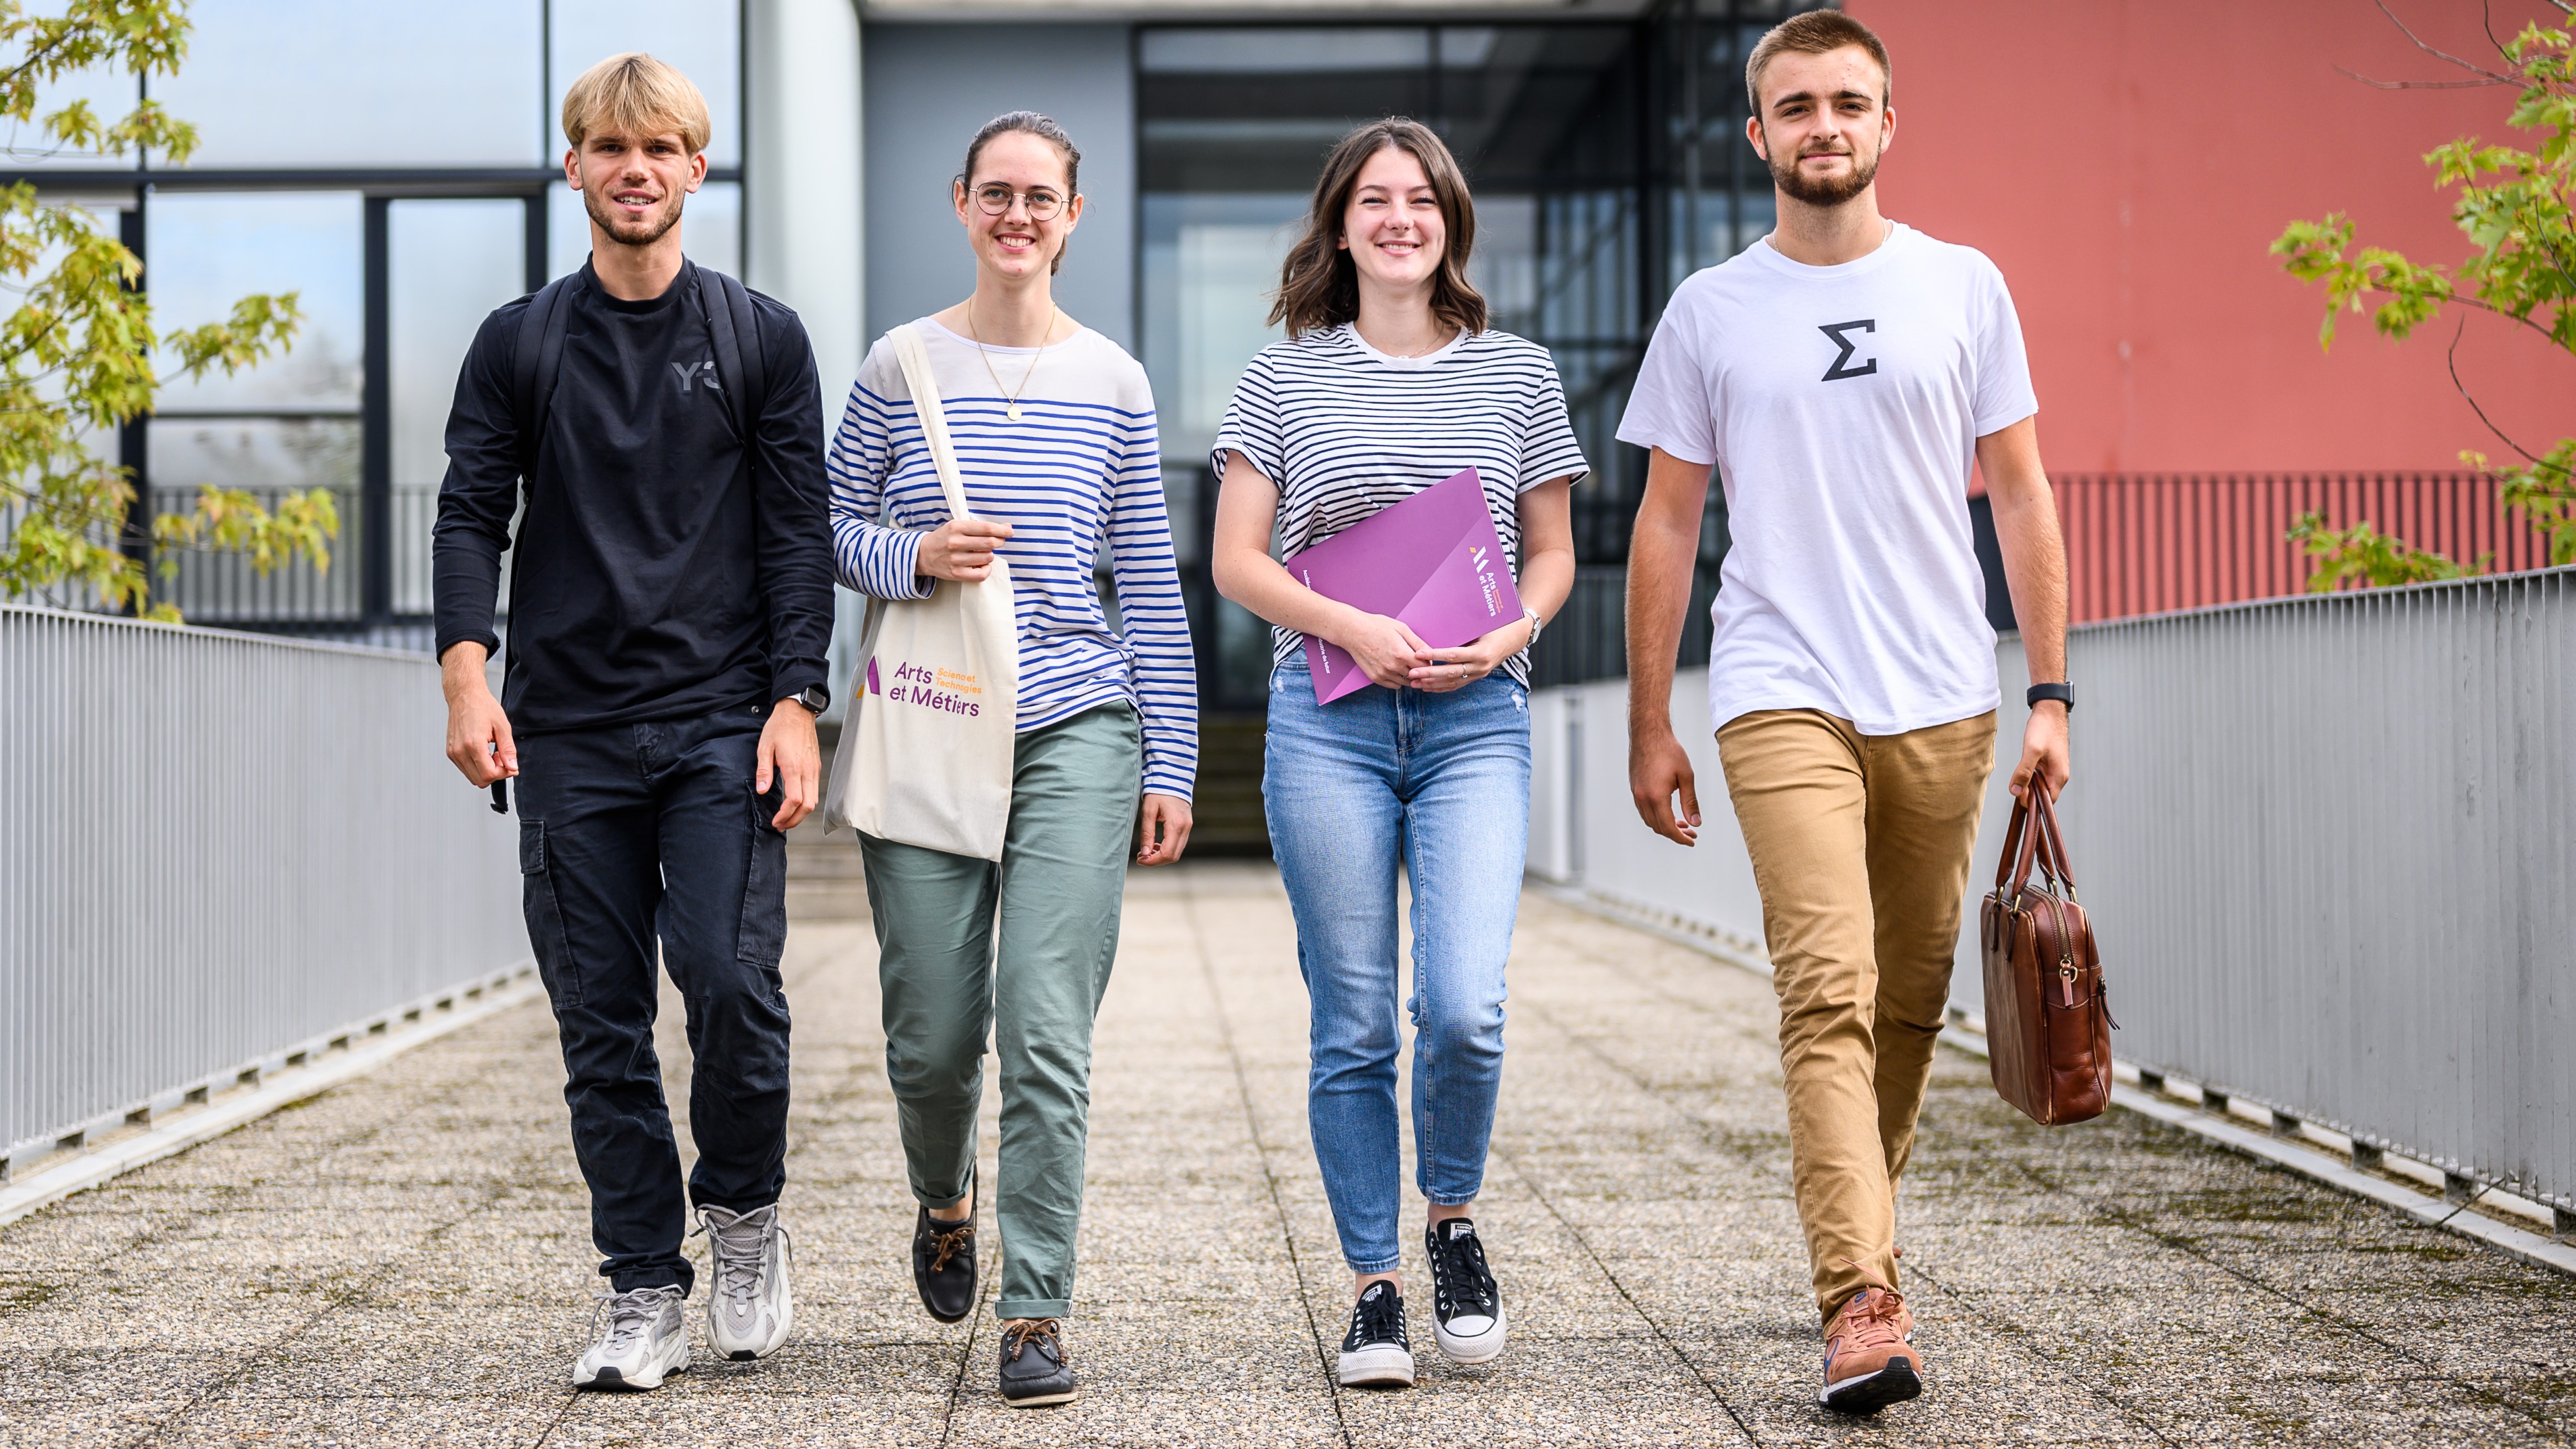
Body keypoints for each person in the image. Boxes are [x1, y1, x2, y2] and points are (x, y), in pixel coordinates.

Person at [1618, 10, 2073, 1417]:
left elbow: (2022, 491)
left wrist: (2048, 690)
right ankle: (1861, 1300)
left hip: (1943, 691)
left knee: (1910, 999)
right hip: (1777, 689)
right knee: (1825, 990)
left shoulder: (1962, 286)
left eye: (1849, 103)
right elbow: (1668, 522)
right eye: (1797, 105)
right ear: (1758, 136)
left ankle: (1853, 1218)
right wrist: (1653, 721)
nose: (1825, 124)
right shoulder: (1710, 309)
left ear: (1887, 125)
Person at [431, 52, 831, 1391]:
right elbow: (469, 512)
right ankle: (642, 1283)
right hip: (569, 733)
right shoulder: (521, 343)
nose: (636, 170)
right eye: (612, 149)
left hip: (723, 720)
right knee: (599, 1020)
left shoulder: (759, 338)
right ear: (578, 169)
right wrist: (465, 675)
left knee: (729, 987)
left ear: (694, 170)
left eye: (661, 149)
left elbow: (796, 535)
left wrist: (797, 700)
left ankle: (745, 1214)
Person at [826, 110, 1198, 1410]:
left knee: (1044, 1028)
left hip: (1078, 724)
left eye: (1043, 196)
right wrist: (911, 555)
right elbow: (825, 521)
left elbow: (1148, 578)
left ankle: (1036, 1305)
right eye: (998, 193)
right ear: (961, 202)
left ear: (1074, 214)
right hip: (933, 707)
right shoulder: (898, 362)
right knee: (933, 1033)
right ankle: (947, 1195)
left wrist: (1173, 757)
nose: (1019, 215)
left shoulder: (1115, 378)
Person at [1210, 118, 1583, 1390]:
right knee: (1355, 1019)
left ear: (1450, 220)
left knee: (1465, 1005)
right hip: (1331, 719)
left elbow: (1554, 553)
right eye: (1374, 199)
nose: (1399, 218)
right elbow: (1239, 559)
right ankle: (1375, 1285)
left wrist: (1514, 628)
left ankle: (1454, 1222)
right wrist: (1353, 626)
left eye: (1420, 199)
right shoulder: (1284, 373)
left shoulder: (1519, 373)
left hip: (1478, 715)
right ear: (1340, 222)